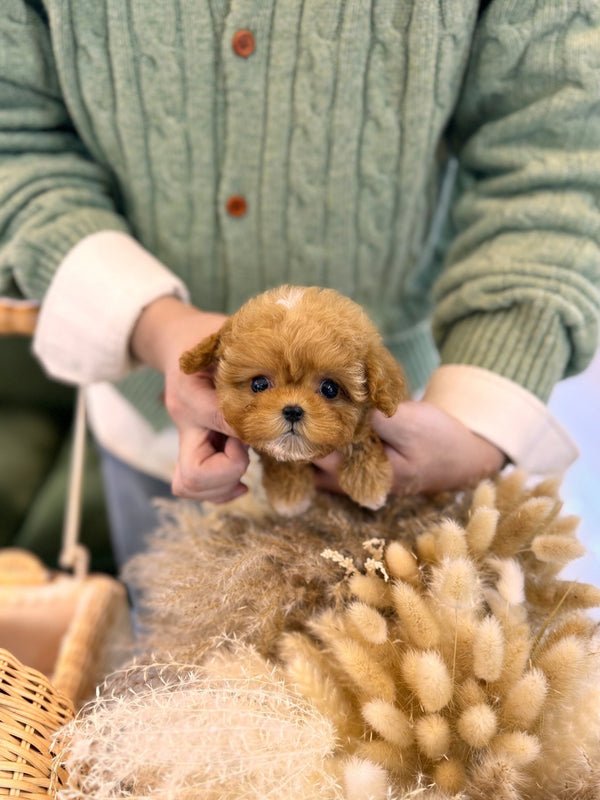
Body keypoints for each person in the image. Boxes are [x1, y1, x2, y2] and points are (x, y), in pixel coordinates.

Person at [1, 0, 598, 568]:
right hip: (145, 420)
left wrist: (480, 417)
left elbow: (556, 157)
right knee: (167, 630)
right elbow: (15, 141)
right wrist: (155, 326)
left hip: (422, 426)